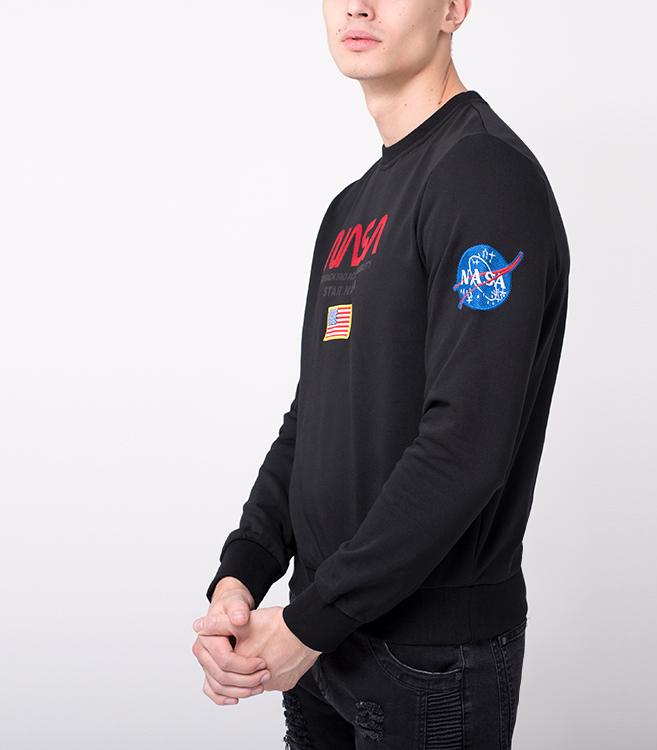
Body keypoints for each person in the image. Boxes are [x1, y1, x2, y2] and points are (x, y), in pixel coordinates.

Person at [189, 1, 570, 747]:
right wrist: (242, 575)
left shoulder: (484, 177)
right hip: (323, 651)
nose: (358, 5)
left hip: (430, 661)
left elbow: (465, 447)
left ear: (454, 8)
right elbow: (314, 417)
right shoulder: (351, 208)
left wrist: (311, 621)